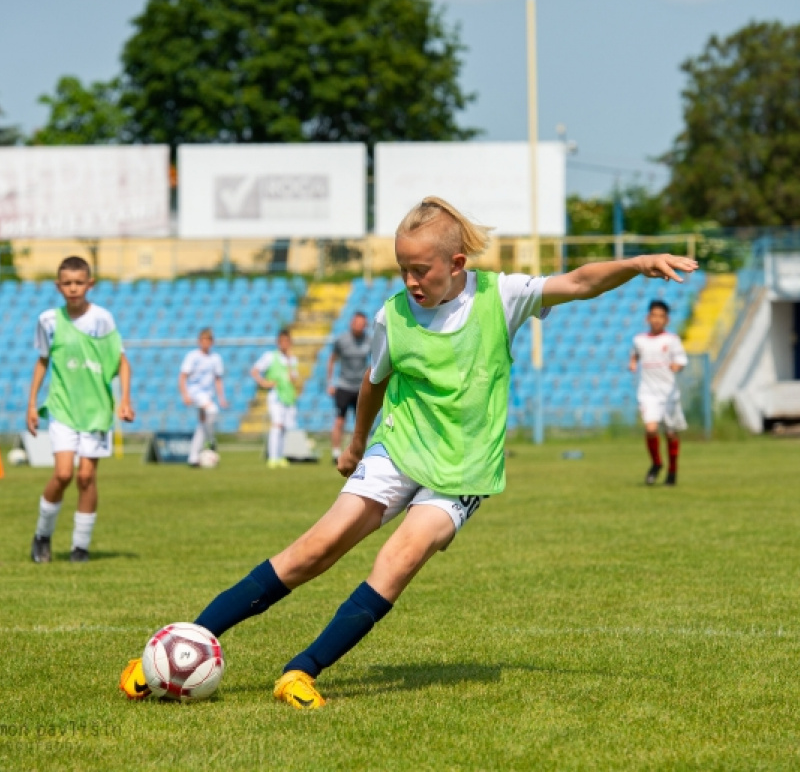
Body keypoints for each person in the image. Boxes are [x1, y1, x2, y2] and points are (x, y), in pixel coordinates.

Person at [120, 196, 697, 706]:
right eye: (402, 268)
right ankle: (179, 649)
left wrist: (635, 263)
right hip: (397, 449)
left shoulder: (503, 296)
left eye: (421, 269)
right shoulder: (392, 315)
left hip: (463, 469)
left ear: (457, 264)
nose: (411, 280)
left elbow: (579, 281)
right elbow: (373, 382)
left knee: (398, 559)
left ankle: (301, 672)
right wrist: (353, 444)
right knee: (312, 550)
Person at [28, 256, 134, 564]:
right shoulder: (48, 320)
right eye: (67, 283)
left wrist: (125, 399)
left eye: (79, 282)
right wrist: (32, 403)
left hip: (96, 410)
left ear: (90, 284)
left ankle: (80, 548)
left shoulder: (103, 319)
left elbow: (122, 361)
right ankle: (42, 535)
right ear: (58, 286)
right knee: (63, 473)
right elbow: (43, 361)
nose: (73, 288)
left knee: (86, 477)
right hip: (62, 407)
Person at [629, 300, 688, 486]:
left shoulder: (672, 340)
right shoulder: (639, 339)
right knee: (651, 429)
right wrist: (633, 361)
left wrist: (676, 366)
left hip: (668, 393)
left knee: (670, 434)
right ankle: (656, 463)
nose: (656, 320)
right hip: (647, 392)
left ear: (666, 320)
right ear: (648, 317)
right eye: (653, 315)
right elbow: (635, 353)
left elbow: (680, 360)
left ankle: (672, 471)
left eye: (660, 316)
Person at [251, 329, 300, 469]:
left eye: (287, 341)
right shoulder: (270, 356)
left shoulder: (293, 359)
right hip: (276, 395)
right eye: (282, 341)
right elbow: (255, 370)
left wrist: (290, 364)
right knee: (277, 424)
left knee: (285, 427)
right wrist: (264, 383)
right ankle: (272, 457)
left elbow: (293, 379)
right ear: (278, 343)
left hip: (288, 396)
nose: (284, 344)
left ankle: (281, 456)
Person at [179, 328, 227, 467]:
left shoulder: (215, 358)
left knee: (201, 425)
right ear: (199, 341)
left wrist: (222, 398)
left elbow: (218, 379)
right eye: (203, 340)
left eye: (208, 340)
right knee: (212, 411)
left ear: (212, 342)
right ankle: (211, 440)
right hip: (195, 392)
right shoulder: (192, 356)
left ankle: (193, 458)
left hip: (208, 394)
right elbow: (182, 376)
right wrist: (185, 394)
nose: (205, 343)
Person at [327, 312, 370, 463]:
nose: (359, 326)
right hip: (344, 386)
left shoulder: (369, 341)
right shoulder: (341, 341)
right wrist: (330, 383)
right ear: (352, 323)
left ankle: (359, 452)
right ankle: (335, 452)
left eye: (362, 323)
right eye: (357, 323)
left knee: (361, 422)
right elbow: (332, 360)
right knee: (340, 420)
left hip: (361, 387)